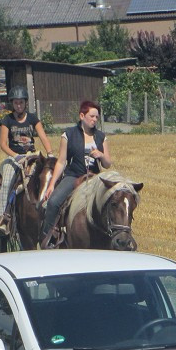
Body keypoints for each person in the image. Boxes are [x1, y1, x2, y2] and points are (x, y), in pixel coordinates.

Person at [40, 100, 111, 248]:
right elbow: (61, 161)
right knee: (53, 202)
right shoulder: (69, 134)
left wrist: (101, 155)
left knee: (112, 201)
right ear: (82, 116)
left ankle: (113, 235)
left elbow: (107, 164)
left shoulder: (101, 137)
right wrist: (52, 185)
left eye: (97, 117)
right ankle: (48, 238)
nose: (94, 120)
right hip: (73, 176)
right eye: (91, 116)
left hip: (94, 178)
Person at [0, 85, 52, 235]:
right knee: (7, 181)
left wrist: (50, 153)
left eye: (21, 102)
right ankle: (3, 217)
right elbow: (3, 144)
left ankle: (51, 215)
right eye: (15, 103)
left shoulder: (32, 118)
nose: (18, 106)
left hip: (32, 155)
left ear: (26, 103)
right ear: (12, 104)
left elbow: (43, 136)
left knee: (47, 177)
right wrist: (15, 156)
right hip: (14, 157)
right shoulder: (7, 120)